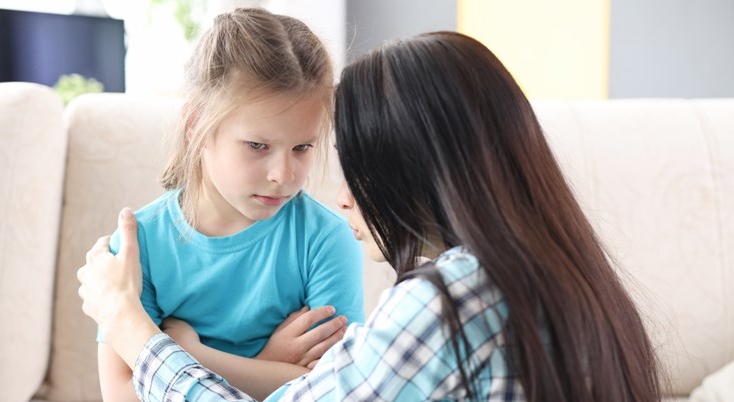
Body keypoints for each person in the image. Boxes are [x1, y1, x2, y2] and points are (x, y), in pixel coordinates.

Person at [78, 31, 663, 401]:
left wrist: (138, 330)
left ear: (412, 169)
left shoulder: (448, 304)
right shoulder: (567, 277)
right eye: (258, 146)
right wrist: (265, 368)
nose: (340, 195)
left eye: (344, 163)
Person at [93, 8, 365, 402]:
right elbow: (122, 394)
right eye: (258, 146)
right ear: (196, 127)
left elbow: (333, 390)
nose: (283, 174)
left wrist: (194, 354)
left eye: (302, 147)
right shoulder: (140, 245)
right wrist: (271, 363)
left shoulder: (325, 240)